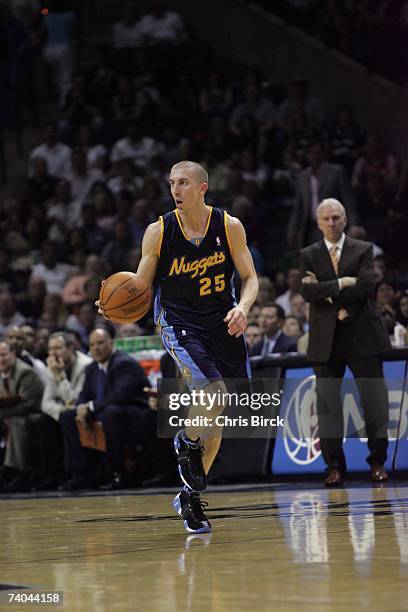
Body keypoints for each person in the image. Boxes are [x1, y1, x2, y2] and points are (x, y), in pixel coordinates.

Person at [97, 160, 259, 534]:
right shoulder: (159, 230)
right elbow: (139, 285)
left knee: (217, 417)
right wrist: (111, 305)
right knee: (213, 392)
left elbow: (250, 278)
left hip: (223, 321)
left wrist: (243, 307)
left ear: (202, 187)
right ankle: (185, 442)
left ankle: (189, 494)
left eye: (183, 183)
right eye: (172, 183)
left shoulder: (229, 226)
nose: (175, 189)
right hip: (179, 323)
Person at [299, 198, 390, 487]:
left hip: (362, 333)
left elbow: (366, 285)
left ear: (345, 219)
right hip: (326, 339)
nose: (332, 223)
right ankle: (334, 467)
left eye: (337, 217)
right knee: (327, 407)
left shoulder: (363, 249)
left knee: (374, 402)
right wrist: (341, 284)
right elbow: (307, 293)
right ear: (318, 222)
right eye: (326, 219)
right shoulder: (309, 254)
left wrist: (335, 300)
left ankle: (377, 462)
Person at [59, 328, 151, 491]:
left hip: (135, 414)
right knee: (67, 416)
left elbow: (119, 395)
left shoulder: (124, 363)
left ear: (111, 343)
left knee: (111, 411)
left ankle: (118, 472)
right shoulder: (92, 368)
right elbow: (85, 394)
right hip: (106, 411)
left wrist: (90, 407)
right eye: (93, 344)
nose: (96, 348)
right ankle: (81, 473)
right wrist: (81, 407)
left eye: (100, 343)